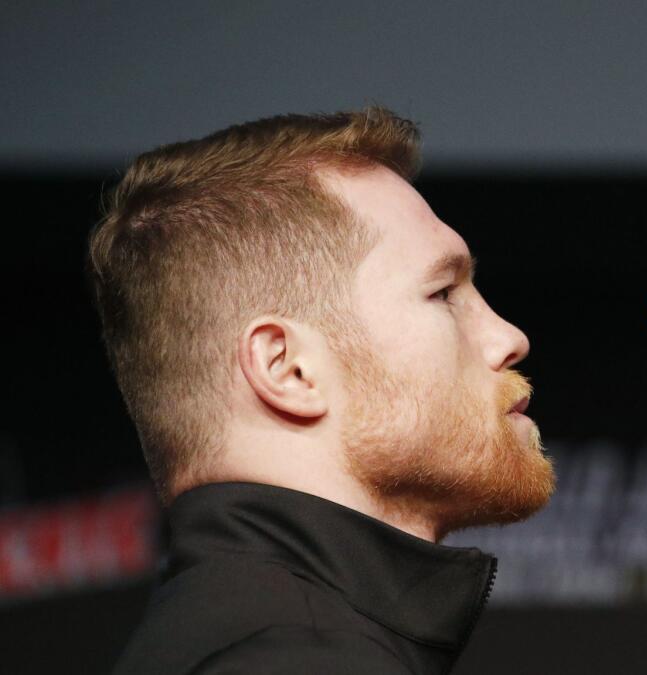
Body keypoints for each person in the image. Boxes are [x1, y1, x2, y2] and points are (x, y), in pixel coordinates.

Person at [89, 108, 555, 674]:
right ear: (289, 370)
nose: (509, 338)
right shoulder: (298, 656)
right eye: (442, 292)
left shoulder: (238, 635)